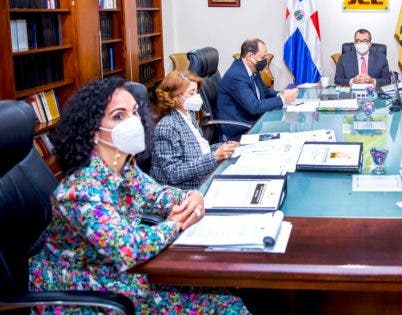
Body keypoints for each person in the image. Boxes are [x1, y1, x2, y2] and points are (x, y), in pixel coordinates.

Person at [28, 77, 248, 313]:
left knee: (221, 294)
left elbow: (158, 195)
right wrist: (175, 223)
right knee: (218, 301)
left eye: (134, 112)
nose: (133, 121)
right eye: (118, 116)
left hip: (125, 271)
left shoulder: (123, 166)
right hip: (87, 292)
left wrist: (191, 197)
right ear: (92, 130)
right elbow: (129, 248)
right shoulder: (79, 191)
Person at [152, 70, 239, 189]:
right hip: (184, 190)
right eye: (191, 93)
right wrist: (214, 157)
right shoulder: (167, 126)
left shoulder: (189, 114)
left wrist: (225, 146)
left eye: (196, 91)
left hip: (203, 176)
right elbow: (174, 173)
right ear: (176, 97)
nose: (196, 96)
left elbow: (199, 149)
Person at [217, 38, 299, 140]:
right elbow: (254, 107)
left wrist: (282, 94)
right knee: (286, 133)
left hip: (254, 121)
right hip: (240, 129)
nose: (265, 61)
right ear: (250, 56)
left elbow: (265, 92)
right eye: (263, 57)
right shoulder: (237, 75)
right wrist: (283, 99)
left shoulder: (252, 69)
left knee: (288, 128)